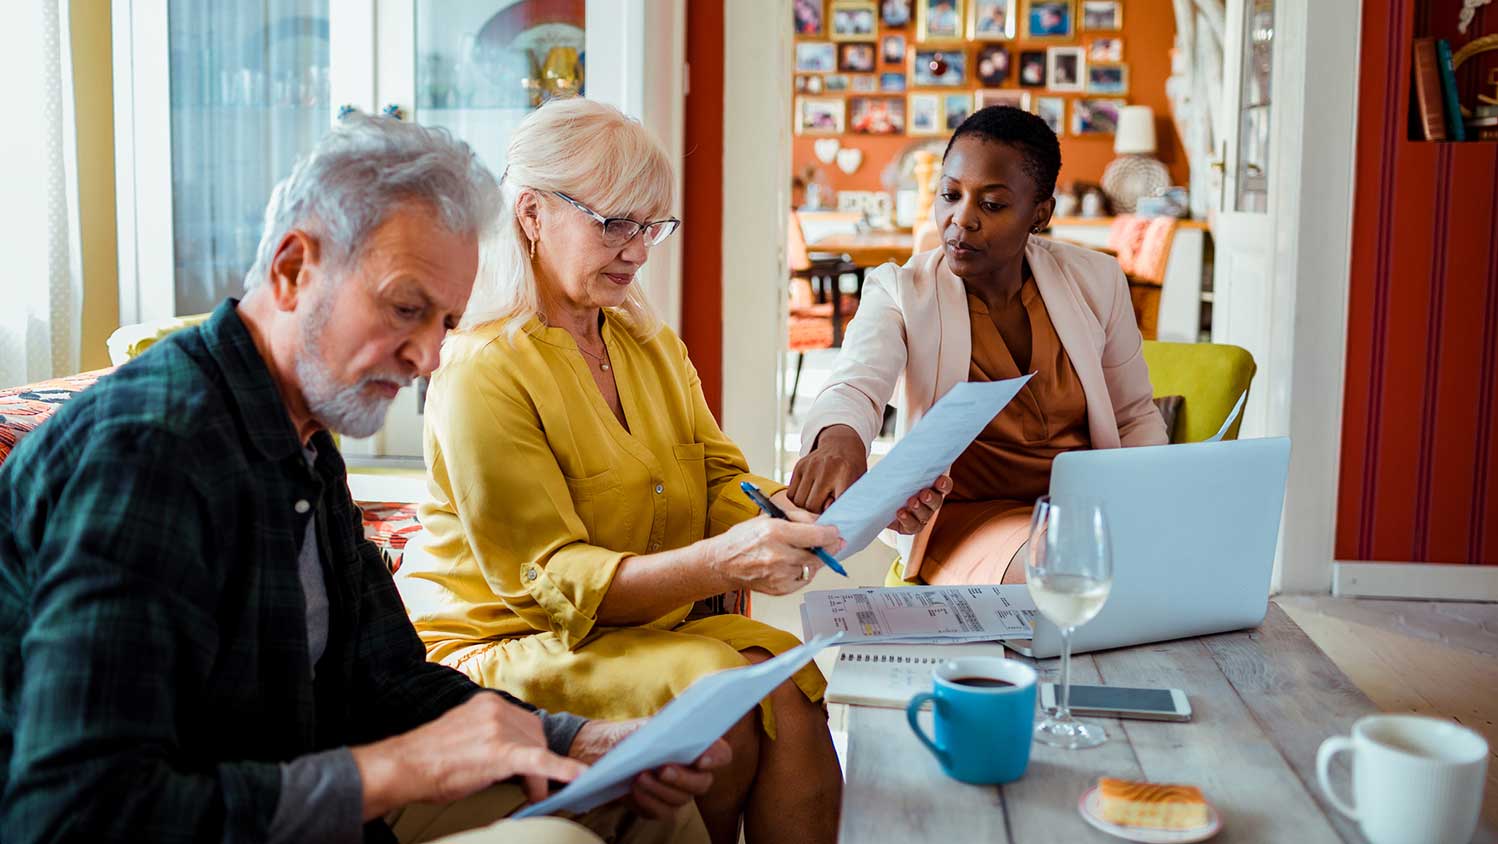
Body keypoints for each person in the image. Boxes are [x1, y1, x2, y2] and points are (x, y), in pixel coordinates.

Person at [0, 114, 728, 844]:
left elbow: (385, 680)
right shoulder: (148, 459)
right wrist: (394, 773)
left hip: (298, 799)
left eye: (445, 322)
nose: (429, 358)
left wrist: (568, 739)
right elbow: (75, 812)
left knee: (644, 803)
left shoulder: (304, 440)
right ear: (293, 270)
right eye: (406, 309)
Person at [393, 98, 941, 844]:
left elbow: (722, 479)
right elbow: (552, 583)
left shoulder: (645, 342)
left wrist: (823, 514)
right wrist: (722, 561)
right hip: (512, 642)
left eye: (651, 225)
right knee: (725, 701)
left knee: (786, 685)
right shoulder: (484, 370)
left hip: (637, 629)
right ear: (530, 215)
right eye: (615, 223)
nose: (639, 249)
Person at [789, 106, 1167, 586]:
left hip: (1087, 511)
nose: (960, 220)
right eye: (950, 195)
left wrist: (1154, 502)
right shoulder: (901, 291)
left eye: (991, 204)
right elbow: (855, 384)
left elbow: (1134, 414)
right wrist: (838, 440)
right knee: (1068, 571)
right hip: (967, 519)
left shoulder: (1096, 280)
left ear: (1040, 213)